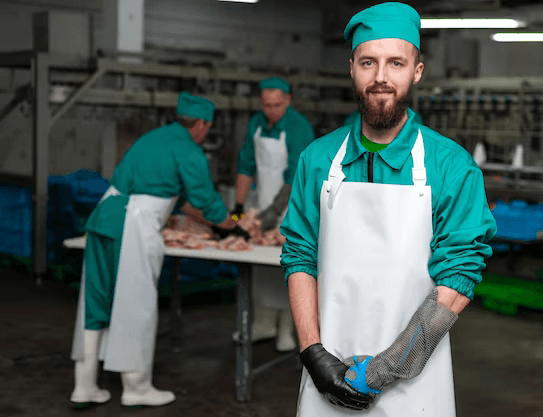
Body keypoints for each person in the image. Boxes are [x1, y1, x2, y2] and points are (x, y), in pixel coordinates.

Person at [280, 2, 497, 416]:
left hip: (413, 378)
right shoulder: (317, 159)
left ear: (416, 70)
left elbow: (458, 280)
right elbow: (299, 259)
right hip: (329, 367)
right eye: (368, 62)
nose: (381, 77)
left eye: (395, 63)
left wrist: (384, 369)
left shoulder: (451, 167)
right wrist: (312, 353)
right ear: (351, 68)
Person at [69, 92, 246, 408]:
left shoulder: (153, 139)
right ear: (202, 124)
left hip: (103, 217)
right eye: (207, 127)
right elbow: (203, 197)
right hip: (133, 224)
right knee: (136, 304)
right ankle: (136, 387)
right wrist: (231, 223)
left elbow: (182, 201)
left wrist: (213, 223)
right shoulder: (188, 149)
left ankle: (84, 387)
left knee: (95, 302)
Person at [232, 77, 315, 352]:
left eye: (277, 105)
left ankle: (286, 329)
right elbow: (245, 164)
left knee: (286, 266)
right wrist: (238, 208)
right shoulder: (256, 123)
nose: (271, 111)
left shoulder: (298, 127)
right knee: (258, 265)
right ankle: (263, 323)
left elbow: (296, 177)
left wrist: (273, 214)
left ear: (288, 100)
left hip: (291, 206)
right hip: (262, 201)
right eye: (266, 105)